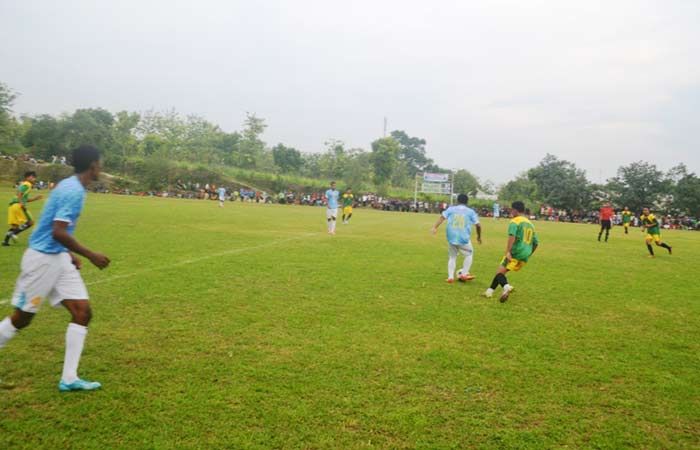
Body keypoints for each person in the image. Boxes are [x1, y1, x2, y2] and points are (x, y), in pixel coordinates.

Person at [0, 145, 111, 392]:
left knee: (82, 312)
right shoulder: (73, 191)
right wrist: (90, 254)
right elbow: (58, 231)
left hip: (57, 256)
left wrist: (68, 254)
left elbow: (55, 229)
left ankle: (69, 378)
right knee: (22, 318)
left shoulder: (72, 186)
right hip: (41, 260)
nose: (101, 168)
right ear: (93, 165)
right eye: (100, 163)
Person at [484, 201, 538, 303]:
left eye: (511, 209)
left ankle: (506, 286)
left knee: (499, 273)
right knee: (501, 272)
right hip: (525, 254)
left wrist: (508, 252)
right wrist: (528, 254)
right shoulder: (530, 224)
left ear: (515, 210)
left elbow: (511, 237)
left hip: (516, 252)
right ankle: (489, 292)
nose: (510, 211)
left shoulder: (515, 222)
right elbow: (536, 243)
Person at [432, 194, 482, 283]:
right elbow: (478, 225)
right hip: (464, 238)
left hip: (451, 236)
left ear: (457, 201)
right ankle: (464, 274)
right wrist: (478, 236)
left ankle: (450, 277)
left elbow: (442, 217)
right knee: (469, 254)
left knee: (452, 257)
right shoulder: (470, 212)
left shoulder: (451, 209)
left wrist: (435, 227)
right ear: (467, 202)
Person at [3, 171, 43, 246]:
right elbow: (20, 194)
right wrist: (21, 203)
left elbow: (23, 197)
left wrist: (35, 198)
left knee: (15, 226)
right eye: (33, 177)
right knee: (30, 222)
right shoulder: (27, 184)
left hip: (12, 206)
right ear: (28, 177)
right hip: (18, 205)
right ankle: (14, 234)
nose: (34, 179)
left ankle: (5, 242)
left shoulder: (23, 184)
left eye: (34, 177)